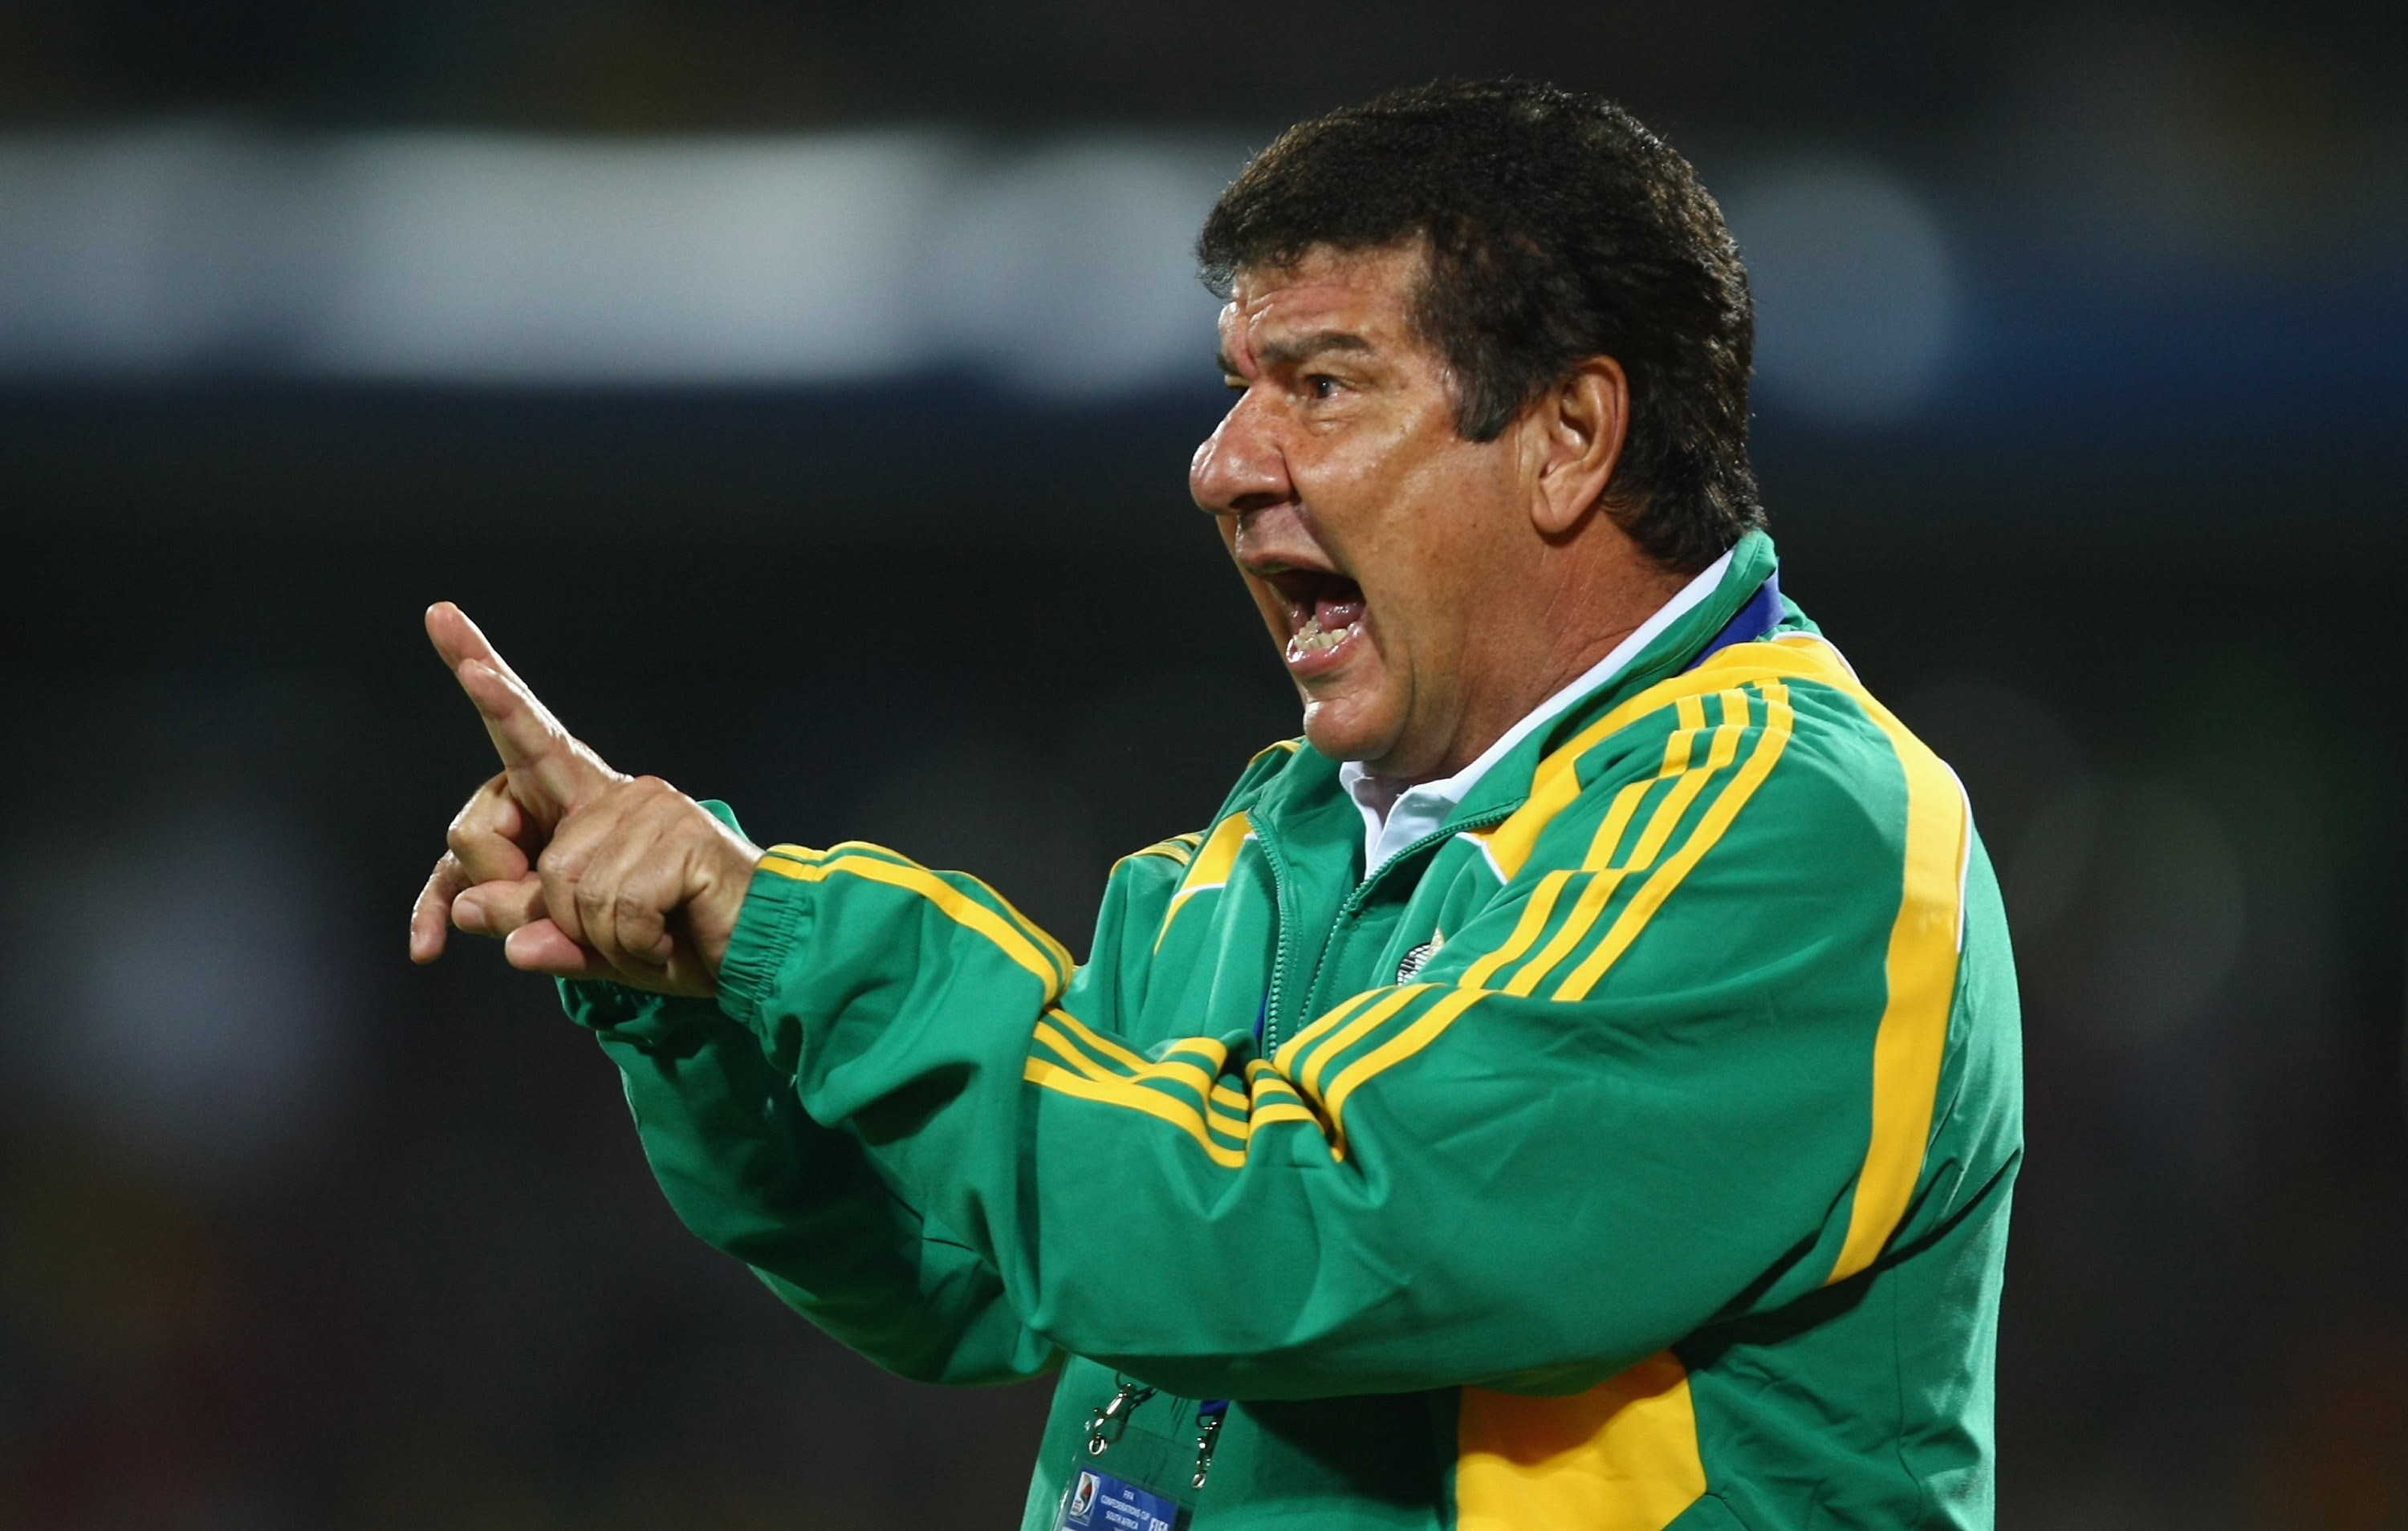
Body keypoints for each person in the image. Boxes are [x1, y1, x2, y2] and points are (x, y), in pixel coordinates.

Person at [409, 80, 2020, 1530]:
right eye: (1239, 386)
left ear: (1568, 440)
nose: (1222, 462)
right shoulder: (1296, 833)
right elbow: (966, 1261)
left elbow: (1296, 1223)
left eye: (1320, 385)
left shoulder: (1788, 821)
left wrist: (791, 932)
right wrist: (694, 991)